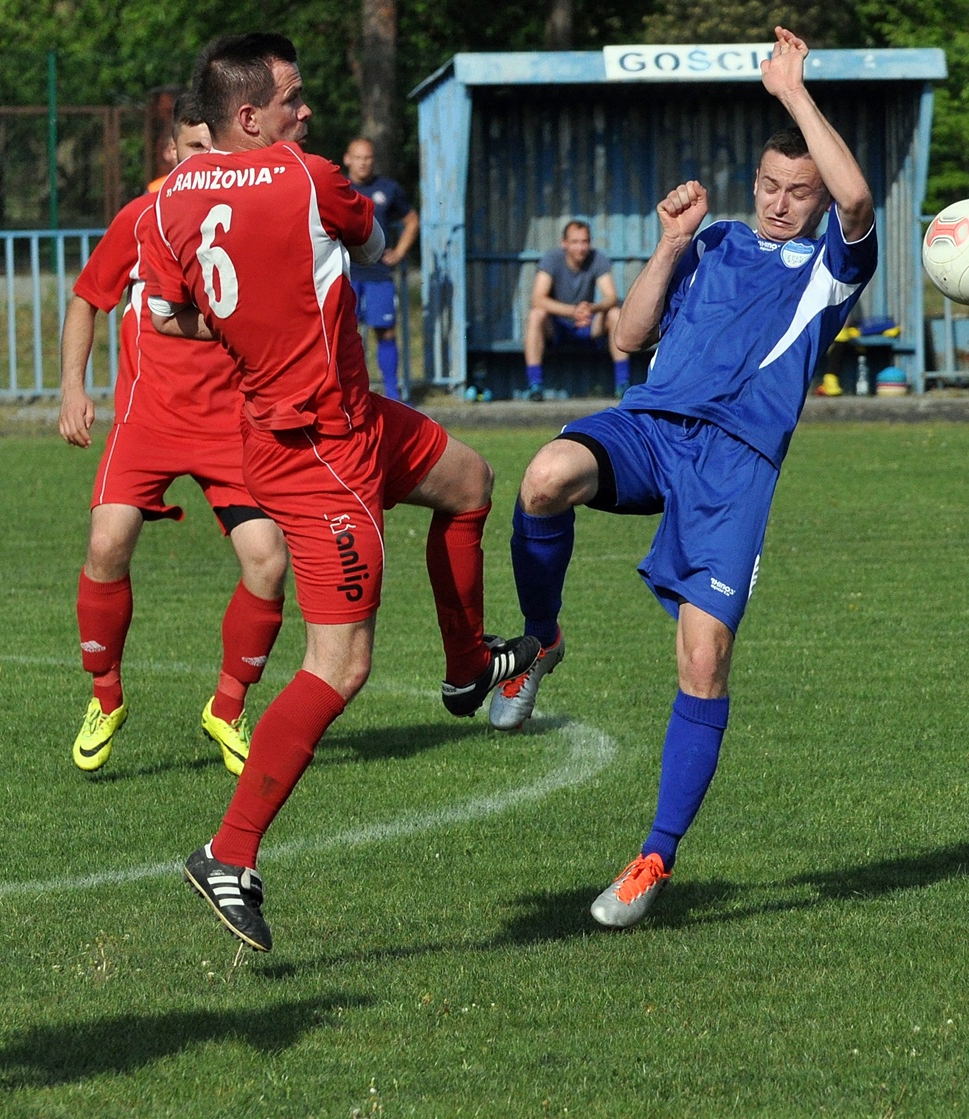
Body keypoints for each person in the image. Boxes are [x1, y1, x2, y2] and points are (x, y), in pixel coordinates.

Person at [142, 32, 540, 952]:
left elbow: (166, 311)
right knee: (341, 665)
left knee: (471, 480)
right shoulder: (309, 175)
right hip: (319, 449)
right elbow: (365, 238)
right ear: (250, 117)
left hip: (341, 418)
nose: (306, 108)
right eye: (292, 97)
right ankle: (228, 852)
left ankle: (467, 666)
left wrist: (247, 325)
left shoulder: (169, 204)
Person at [493, 27, 877, 929]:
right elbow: (627, 340)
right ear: (755, 186)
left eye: (800, 192)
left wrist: (793, 94)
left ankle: (654, 856)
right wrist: (670, 242)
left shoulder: (832, 269)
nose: (784, 204)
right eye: (772, 188)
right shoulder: (713, 247)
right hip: (653, 426)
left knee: (703, 661)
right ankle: (540, 642)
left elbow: (857, 194)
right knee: (545, 475)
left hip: (736, 467)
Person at [59, 93, 288, 778]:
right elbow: (87, 298)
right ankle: (105, 698)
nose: (206, 162)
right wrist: (73, 386)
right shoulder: (141, 218)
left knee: (268, 560)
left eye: (214, 151)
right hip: (148, 419)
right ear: (170, 154)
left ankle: (227, 704)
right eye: (193, 150)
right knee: (107, 541)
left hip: (231, 423)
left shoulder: (252, 216)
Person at [342, 136, 418, 402]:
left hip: (378, 275)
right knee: (344, 334)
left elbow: (411, 220)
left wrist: (399, 252)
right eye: (358, 158)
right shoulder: (337, 187)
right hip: (345, 275)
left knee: (386, 331)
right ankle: (349, 392)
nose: (363, 163)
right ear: (347, 159)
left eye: (368, 158)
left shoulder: (388, 188)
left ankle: (392, 393)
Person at [524, 219, 630, 400]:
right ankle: (535, 386)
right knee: (536, 314)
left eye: (585, 242)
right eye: (575, 242)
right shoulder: (552, 258)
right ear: (563, 243)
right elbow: (538, 298)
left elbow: (611, 296)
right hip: (558, 328)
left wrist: (592, 308)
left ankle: (623, 385)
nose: (580, 247)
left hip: (589, 326)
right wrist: (573, 311)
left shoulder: (598, 258)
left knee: (614, 313)